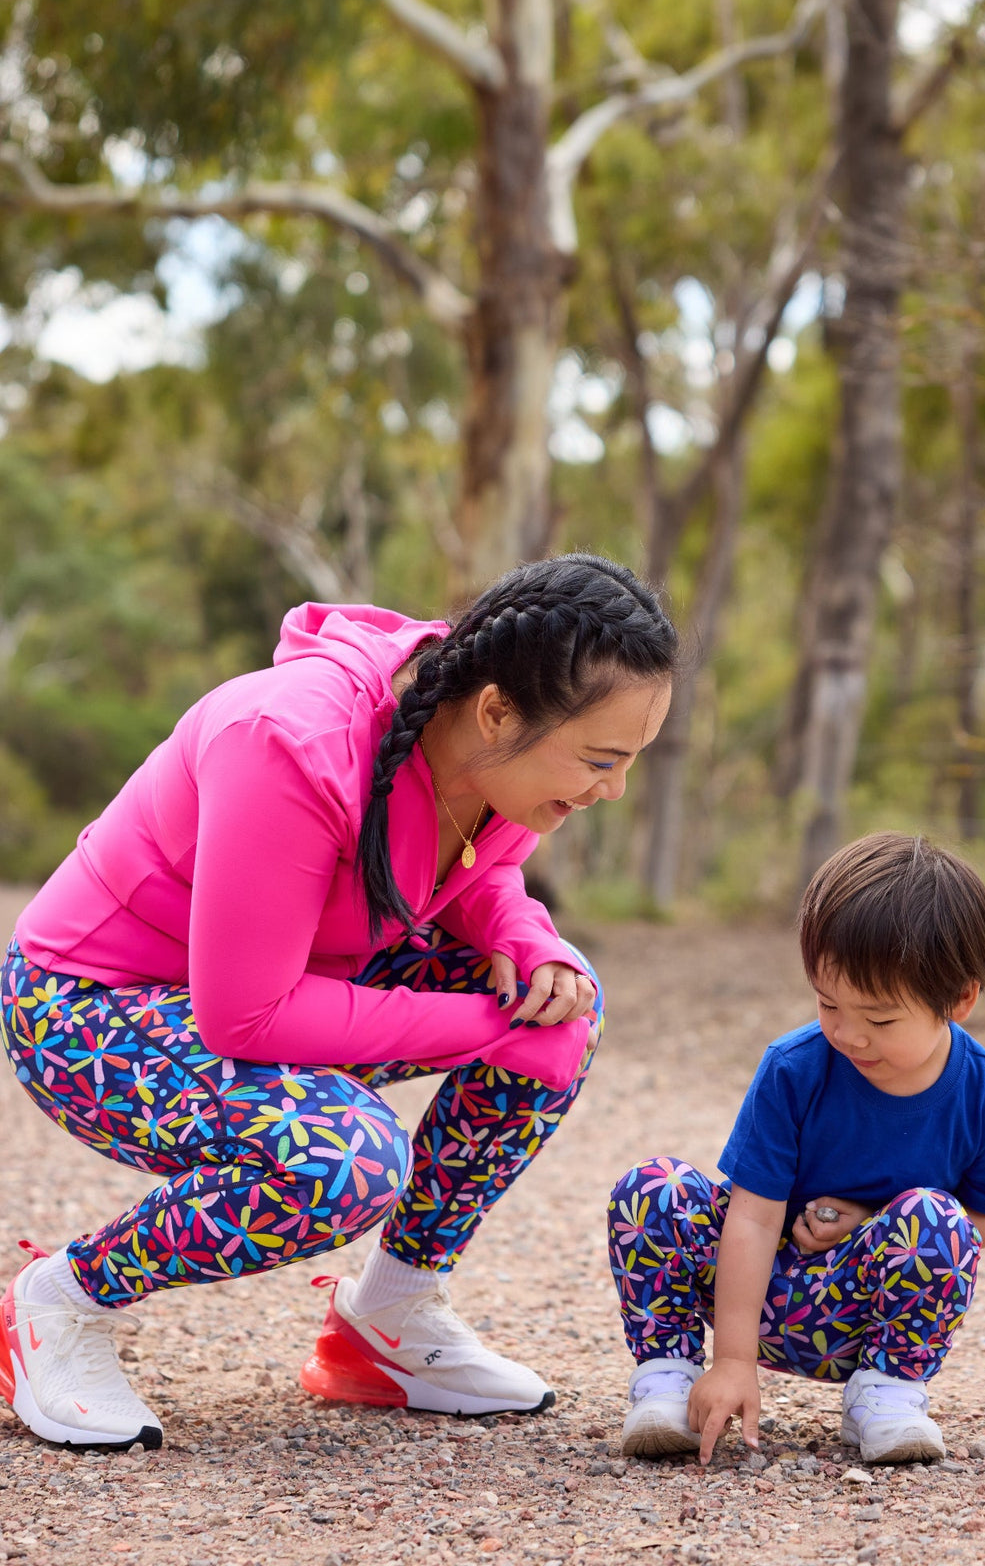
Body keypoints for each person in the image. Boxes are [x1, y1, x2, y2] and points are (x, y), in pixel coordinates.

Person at [0, 552, 676, 1452]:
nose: (613, 789)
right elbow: (245, 1018)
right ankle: (60, 1300)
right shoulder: (288, 741)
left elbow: (481, 872)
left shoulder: (487, 751)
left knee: (564, 1004)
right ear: (496, 712)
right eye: (600, 759)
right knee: (343, 1162)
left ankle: (388, 1322)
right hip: (87, 1009)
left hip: (261, 991)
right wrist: (490, 1028)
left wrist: (529, 943)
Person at [607, 832, 985, 1466]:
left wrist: (880, 1225)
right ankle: (670, 1379)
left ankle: (886, 1393)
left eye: (880, 1019)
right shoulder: (795, 1067)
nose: (849, 1035)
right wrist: (732, 1359)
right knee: (653, 1189)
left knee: (937, 1221)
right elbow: (751, 1215)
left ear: (960, 1000)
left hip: (859, 1312)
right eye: (829, 1004)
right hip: (751, 1288)